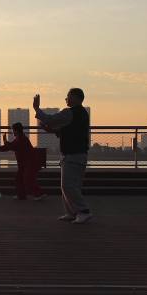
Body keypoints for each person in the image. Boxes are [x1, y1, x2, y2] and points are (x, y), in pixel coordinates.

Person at [33, 88, 92, 224]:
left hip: (72, 155)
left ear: (76, 98)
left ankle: (83, 211)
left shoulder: (69, 112)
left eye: (68, 96)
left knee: (67, 185)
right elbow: (69, 131)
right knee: (71, 185)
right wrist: (52, 130)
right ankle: (72, 212)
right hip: (79, 154)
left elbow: (51, 119)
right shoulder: (83, 113)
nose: (66, 99)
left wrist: (37, 109)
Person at [0, 122, 46, 201]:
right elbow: (7, 147)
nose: (12, 132)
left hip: (30, 163)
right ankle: (21, 196)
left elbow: (11, 146)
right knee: (19, 179)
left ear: (16, 130)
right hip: (24, 164)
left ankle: (39, 194)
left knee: (28, 179)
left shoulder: (22, 139)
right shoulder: (18, 139)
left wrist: (5, 140)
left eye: (13, 130)